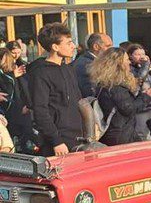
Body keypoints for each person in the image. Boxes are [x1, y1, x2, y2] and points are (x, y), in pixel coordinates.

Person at [27, 23, 83, 156]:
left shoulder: (68, 68)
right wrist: (56, 141)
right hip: (57, 141)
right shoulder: (41, 73)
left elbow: (78, 101)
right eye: (68, 43)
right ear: (55, 47)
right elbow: (40, 110)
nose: (73, 46)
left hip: (77, 136)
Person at [91, 48, 151, 146]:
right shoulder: (114, 86)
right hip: (120, 134)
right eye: (126, 59)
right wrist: (147, 96)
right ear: (118, 64)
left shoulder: (109, 83)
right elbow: (128, 108)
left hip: (121, 132)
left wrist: (143, 95)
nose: (129, 62)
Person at [0, 48, 31, 150]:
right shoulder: (9, 75)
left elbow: (22, 91)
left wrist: (26, 105)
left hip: (16, 111)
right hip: (9, 113)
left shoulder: (15, 72)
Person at [126, 43, 151, 140]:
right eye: (137, 54)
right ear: (130, 56)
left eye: (143, 54)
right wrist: (146, 66)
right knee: (141, 133)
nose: (141, 57)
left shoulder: (142, 67)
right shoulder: (130, 69)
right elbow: (138, 81)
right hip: (140, 106)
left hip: (150, 103)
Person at [72, 32, 113, 98]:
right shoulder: (86, 65)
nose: (112, 49)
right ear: (96, 47)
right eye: (108, 46)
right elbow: (90, 93)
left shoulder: (96, 62)